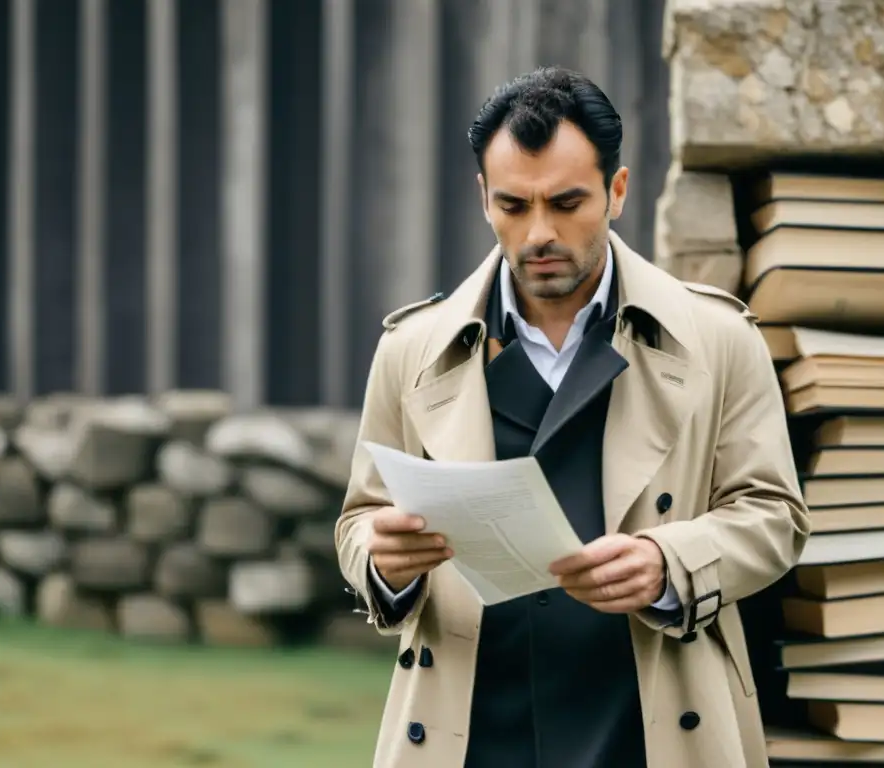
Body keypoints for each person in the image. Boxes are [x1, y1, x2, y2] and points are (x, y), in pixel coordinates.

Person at [335, 66, 809, 768]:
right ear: (482, 199)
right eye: (514, 207)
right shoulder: (410, 350)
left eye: (566, 202)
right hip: (466, 730)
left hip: (649, 726)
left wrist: (667, 562)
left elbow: (775, 516)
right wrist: (383, 556)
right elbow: (358, 520)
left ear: (617, 192)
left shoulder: (719, 339)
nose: (538, 234)